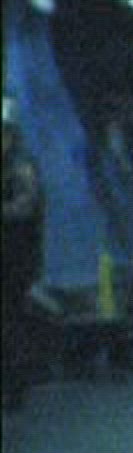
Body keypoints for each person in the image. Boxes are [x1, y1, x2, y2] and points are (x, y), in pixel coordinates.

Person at [3, 115, 47, 408]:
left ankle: (15, 384)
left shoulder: (20, 168)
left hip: (15, 260)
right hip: (13, 257)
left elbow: (25, 207)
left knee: (11, 320)